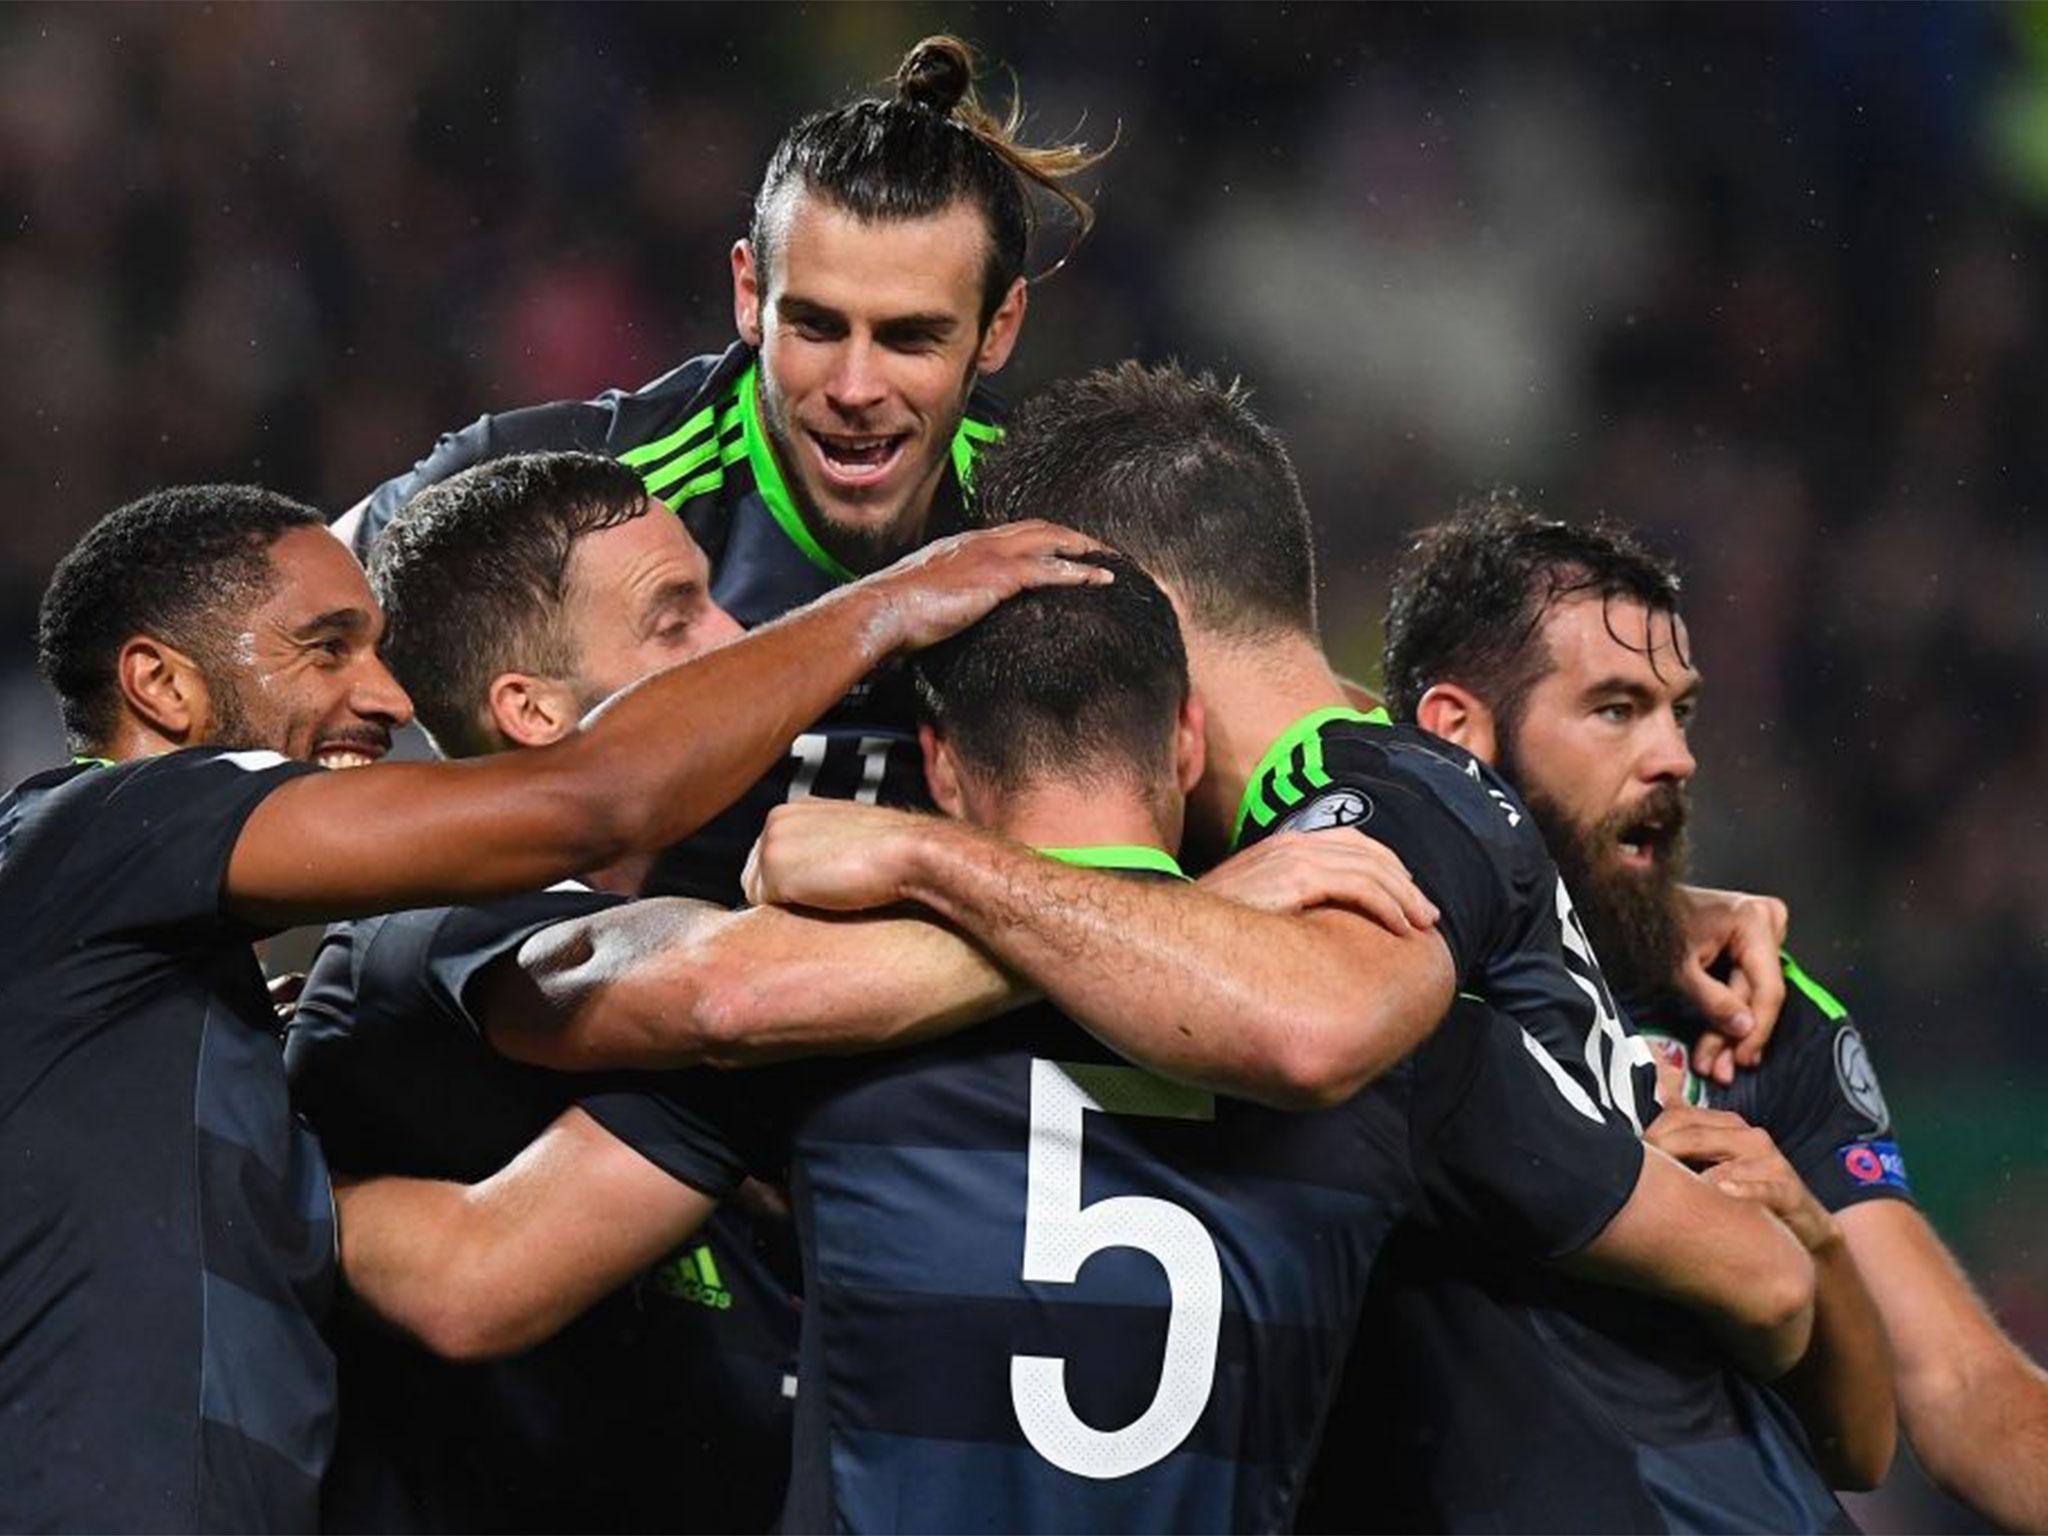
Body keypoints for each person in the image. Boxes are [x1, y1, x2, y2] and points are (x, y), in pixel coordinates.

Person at [333, 557, 1812, 1532]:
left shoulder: (819, 1021)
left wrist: (215, 1161)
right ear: (1185, 747)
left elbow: (474, 1281)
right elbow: (1766, 1282)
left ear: (939, 767)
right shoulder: (1400, 1043)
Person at [290, 450, 1438, 1530]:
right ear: (532, 712)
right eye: (676, 618)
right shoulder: (424, 924)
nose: (740, 637)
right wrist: (1171, 914)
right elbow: (493, 1255)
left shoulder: (821, 1009)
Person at [0, 474, 1102, 1532]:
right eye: (326, 647)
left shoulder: (182, 1005)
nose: (386, 698)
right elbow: (600, 811)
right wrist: (893, 606)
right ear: (161, 685)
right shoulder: (107, 826)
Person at [1373, 496, 2048, 1532]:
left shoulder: (1749, 1013)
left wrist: (1812, 1244)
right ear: (1458, 729)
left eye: (1675, 711)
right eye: (1613, 709)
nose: (1674, 756)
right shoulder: (1366, 980)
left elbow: (1948, 1393)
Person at [335, 33, 1105, 905]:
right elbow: (274, 609)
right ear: (749, 296)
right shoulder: (588, 492)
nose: (856, 388)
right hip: (611, 1007)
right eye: (815, 327)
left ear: (998, 330)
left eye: (910, 337)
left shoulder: (1066, 518)